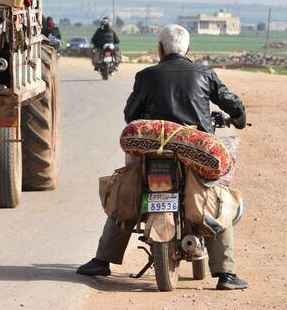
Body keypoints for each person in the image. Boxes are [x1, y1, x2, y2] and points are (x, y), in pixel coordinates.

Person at [76, 24, 249, 290]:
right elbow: (232, 103)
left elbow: (130, 114)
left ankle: (102, 259)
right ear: (187, 49)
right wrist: (238, 119)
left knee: (127, 188)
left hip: (153, 150)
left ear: (160, 49)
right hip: (197, 153)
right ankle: (226, 273)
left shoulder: (146, 75)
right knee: (217, 197)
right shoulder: (205, 73)